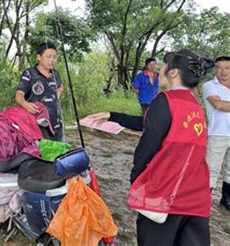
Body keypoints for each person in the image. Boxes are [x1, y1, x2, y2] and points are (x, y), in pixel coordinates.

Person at [91, 50, 214, 245]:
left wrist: (136, 179)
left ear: (173, 73)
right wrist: (112, 115)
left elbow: (147, 146)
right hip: (196, 196)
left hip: (166, 195)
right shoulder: (194, 105)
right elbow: (152, 123)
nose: (160, 70)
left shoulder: (166, 100)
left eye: (163, 66)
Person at [15, 42, 64, 141]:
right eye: (48, 57)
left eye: (54, 57)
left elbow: (60, 86)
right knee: (43, 154)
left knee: (59, 153)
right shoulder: (29, 73)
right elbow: (19, 94)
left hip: (56, 125)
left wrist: (57, 95)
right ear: (39, 57)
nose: (52, 60)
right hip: (37, 125)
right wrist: (25, 104)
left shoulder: (56, 74)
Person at [203, 55, 230, 210]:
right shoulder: (209, 85)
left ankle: (226, 199)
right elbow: (218, 105)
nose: (223, 71)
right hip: (218, 133)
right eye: (219, 67)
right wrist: (221, 103)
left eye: (227, 68)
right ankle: (203, 201)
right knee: (211, 169)